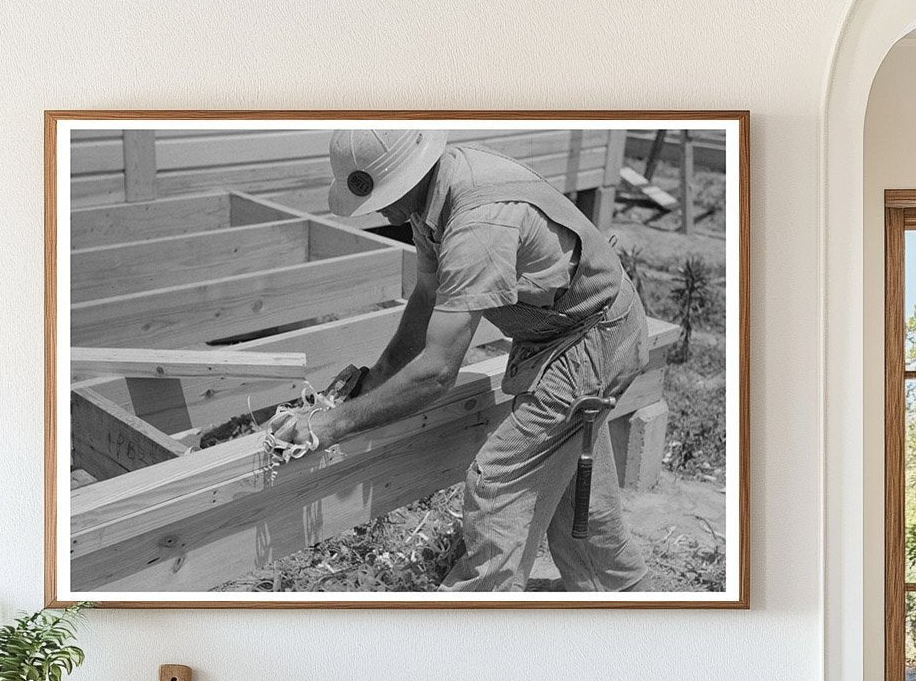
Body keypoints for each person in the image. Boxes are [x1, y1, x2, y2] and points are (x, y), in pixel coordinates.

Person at [271, 128, 651, 592]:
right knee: (574, 488)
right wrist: (373, 382)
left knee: (499, 486)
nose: (377, 212)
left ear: (405, 174)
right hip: (563, 330)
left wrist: (330, 426)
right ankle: (620, 593)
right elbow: (427, 299)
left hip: (593, 336)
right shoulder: (432, 193)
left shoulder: (477, 224)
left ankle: (474, 625)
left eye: (381, 197)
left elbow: (436, 373)